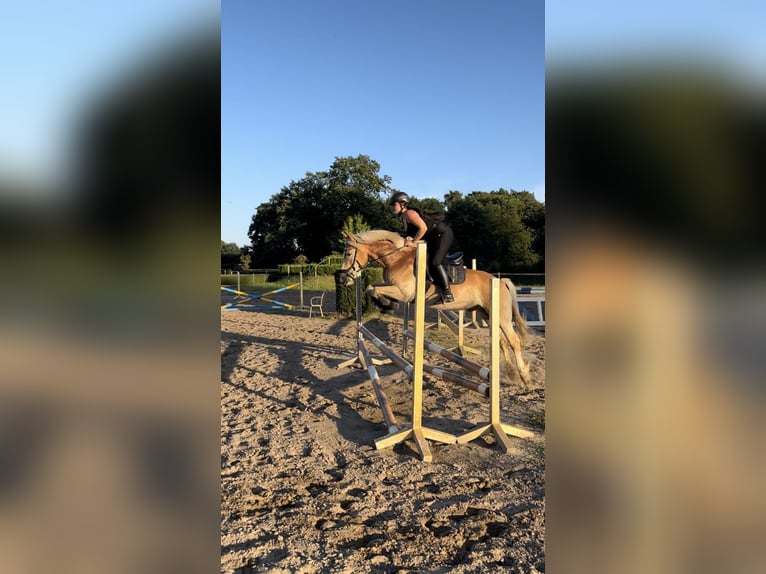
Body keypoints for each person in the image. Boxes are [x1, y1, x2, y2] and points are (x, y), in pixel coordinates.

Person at [389, 192, 455, 303]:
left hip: (442, 234)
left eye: (394, 204)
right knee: (426, 261)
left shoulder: (409, 213)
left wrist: (413, 241)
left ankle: (447, 293)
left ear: (402, 204)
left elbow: (423, 228)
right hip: (434, 238)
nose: (392, 207)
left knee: (435, 262)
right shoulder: (403, 218)